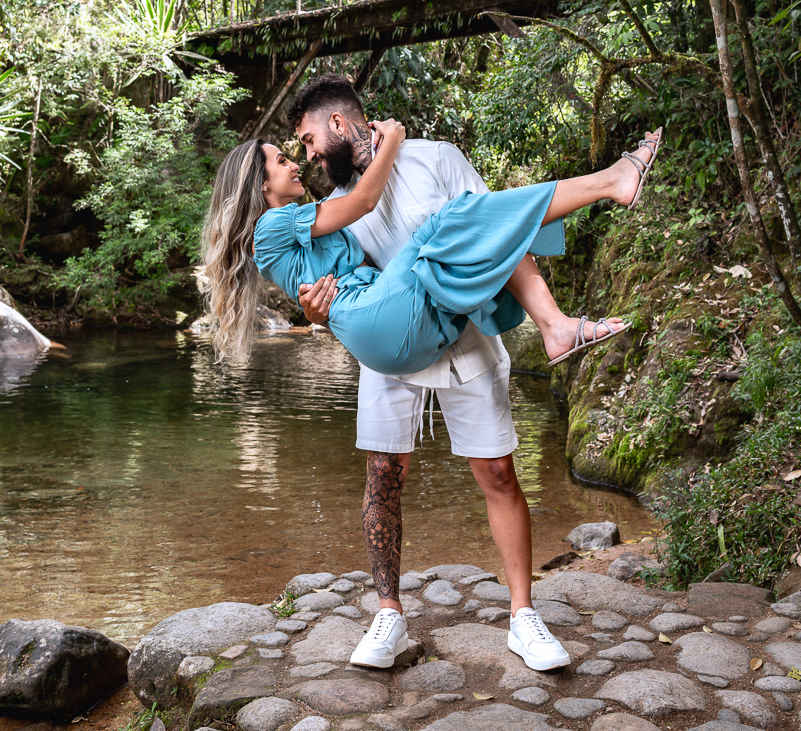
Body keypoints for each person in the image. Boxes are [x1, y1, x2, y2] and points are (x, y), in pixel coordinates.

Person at [202, 73, 663, 672]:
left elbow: (501, 235)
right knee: (382, 476)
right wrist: (310, 311)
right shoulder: (333, 206)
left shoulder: (436, 159)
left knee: (498, 471)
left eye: (309, 140)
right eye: (294, 153)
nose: (307, 156)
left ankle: (524, 616)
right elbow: (327, 269)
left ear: (339, 124)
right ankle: (388, 614)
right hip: (391, 335)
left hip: (452, 328)